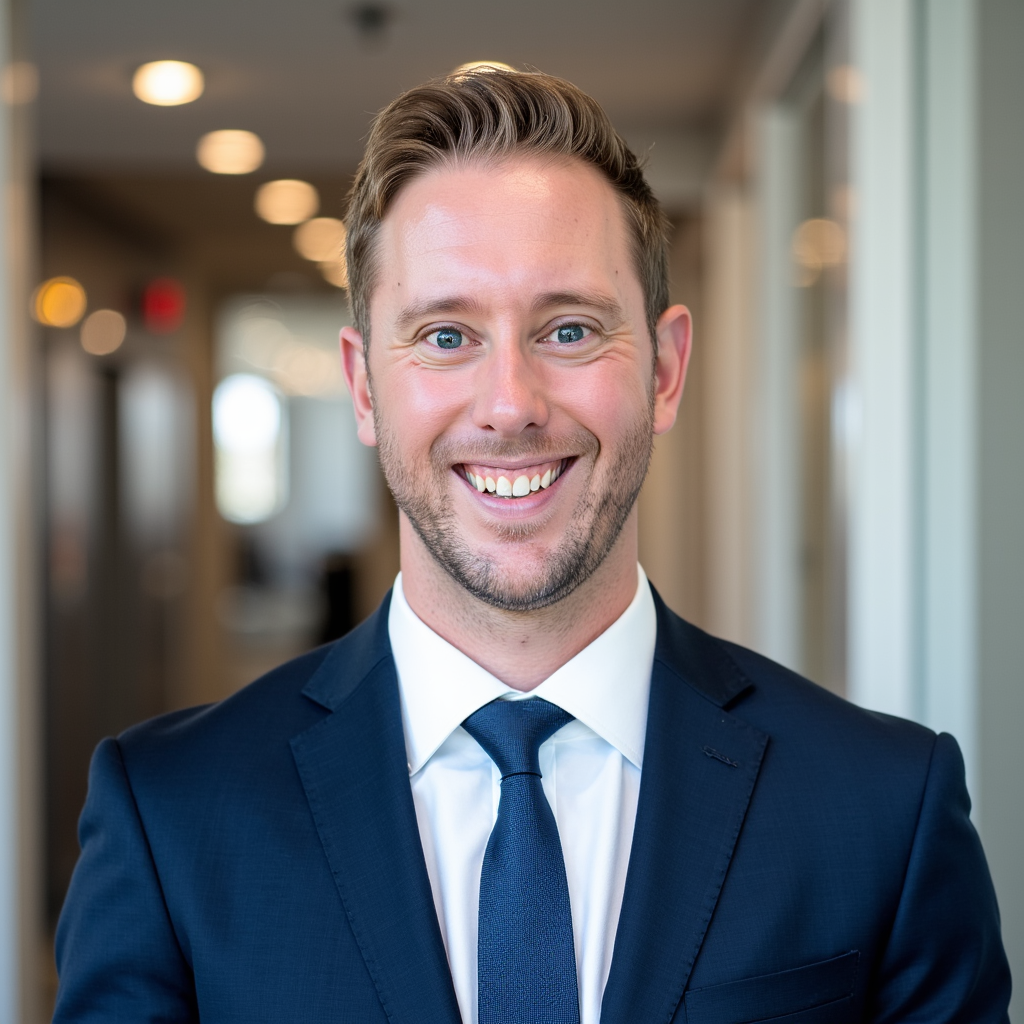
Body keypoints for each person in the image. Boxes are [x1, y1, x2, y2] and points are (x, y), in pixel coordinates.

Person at [54, 67, 1010, 1024]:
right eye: (444, 336)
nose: (510, 405)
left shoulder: (885, 809)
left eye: (568, 329)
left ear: (666, 370)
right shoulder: (169, 818)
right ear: (362, 387)